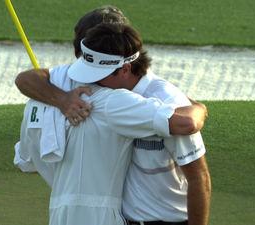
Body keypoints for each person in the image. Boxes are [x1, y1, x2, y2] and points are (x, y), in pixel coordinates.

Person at [15, 6, 211, 225]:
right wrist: (61, 99)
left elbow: (198, 175)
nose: (88, 82)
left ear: (125, 70)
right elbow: (25, 79)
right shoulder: (81, 88)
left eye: (95, 73)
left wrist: (200, 109)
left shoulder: (168, 101)